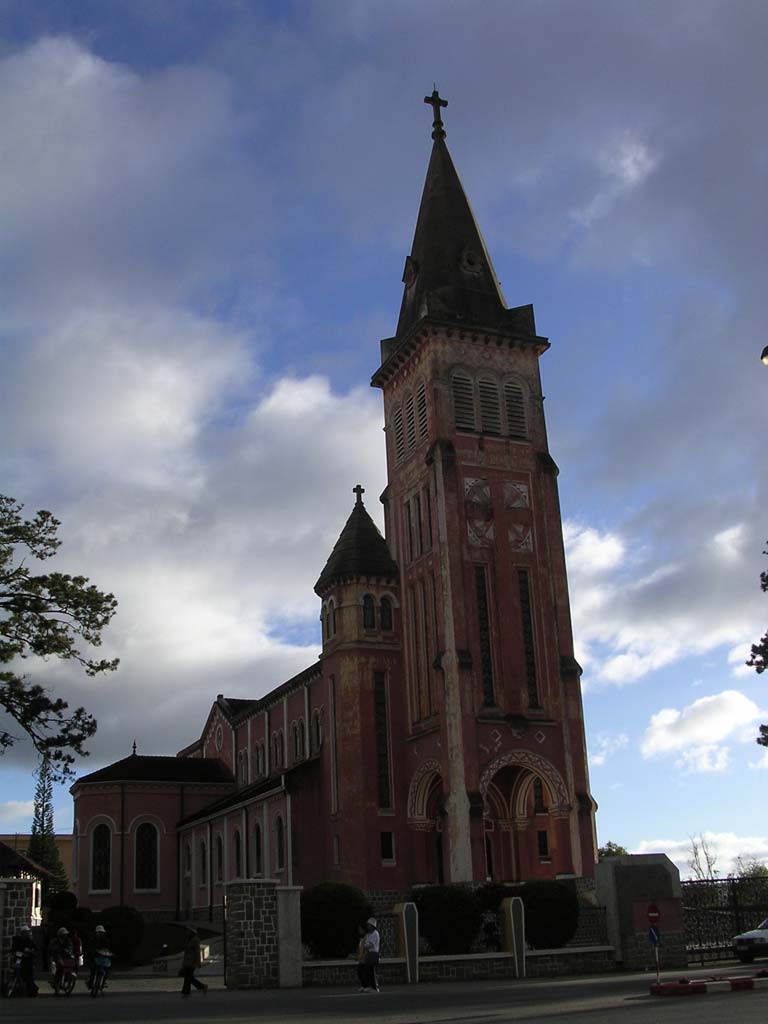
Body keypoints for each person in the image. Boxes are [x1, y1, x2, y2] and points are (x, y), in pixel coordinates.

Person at [11, 925, 38, 996]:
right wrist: (16, 953)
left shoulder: (30, 941)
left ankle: (31, 990)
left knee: (29, 974)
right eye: (26, 932)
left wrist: (30, 951)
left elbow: (35, 949)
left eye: (27, 932)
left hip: (27, 960)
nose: (27, 933)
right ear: (22, 933)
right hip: (19, 958)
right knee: (16, 969)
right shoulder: (17, 940)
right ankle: (14, 984)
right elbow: (14, 949)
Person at [180, 927, 208, 997]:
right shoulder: (189, 939)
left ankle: (186, 992)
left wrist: (198, 963)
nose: (187, 932)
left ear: (191, 932)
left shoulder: (195, 940)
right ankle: (202, 986)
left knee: (188, 977)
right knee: (189, 977)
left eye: (188, 931)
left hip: (191, 962)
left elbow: (197, 952)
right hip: (187, 962)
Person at [356, 917, 380, 993]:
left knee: (370, 971)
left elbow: (370, 944)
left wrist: (364, 944)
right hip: (368, 954)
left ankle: (375, 988)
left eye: (369, 925)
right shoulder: (369, 934)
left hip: (373, 954)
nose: (367, 926)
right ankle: (366, 986)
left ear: (372, 926)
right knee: (364, 970)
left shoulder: (375, 933)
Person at [50, 926, 74, 993]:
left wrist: (69, 951)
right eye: (63, 934)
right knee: (59, 969)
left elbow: (70, 947)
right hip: (57, 957)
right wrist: (56, 950)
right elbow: (52, 948)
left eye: (65, 934)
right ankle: (56, 984)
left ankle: (67, 980)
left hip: (66, 957)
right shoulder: (55, 941)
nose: (64, 935)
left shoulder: (68, 940)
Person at [86, 924, 110, 990]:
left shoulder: (105, 940)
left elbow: (107, 947)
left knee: (107, 969)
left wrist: (108, 953)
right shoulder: (93, 939)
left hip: (102, 957)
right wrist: (92, 951)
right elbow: (89, 947)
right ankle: (90, 983)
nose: (100, 934)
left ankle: (103, 981)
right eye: (99, 932)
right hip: (94, 957)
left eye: (101, 933)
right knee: (93, 971)